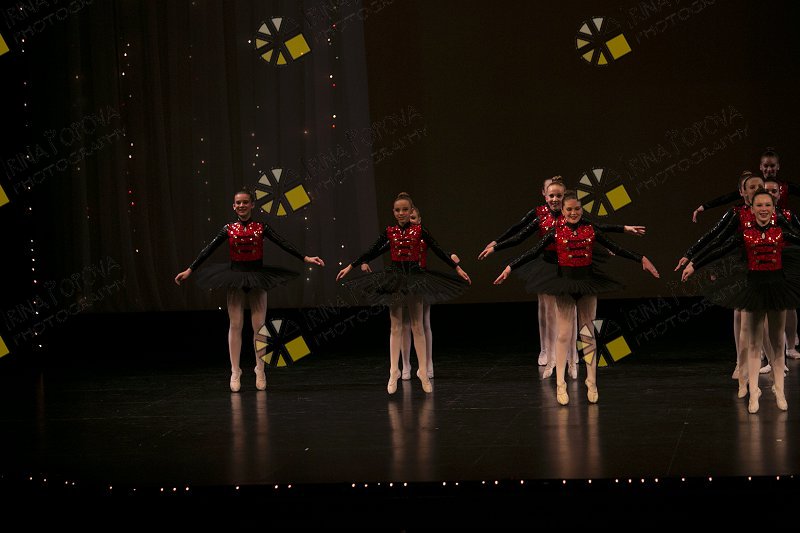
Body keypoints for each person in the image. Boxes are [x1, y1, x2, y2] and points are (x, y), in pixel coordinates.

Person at [494, 190, 659, 406]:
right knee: (564, 334)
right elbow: (533, 251)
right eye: (569, 209)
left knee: (588, 333)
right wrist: (509, 267)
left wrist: (641, 258)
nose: (573, 213)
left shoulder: (590, 229)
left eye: (577, 209)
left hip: (587, 284)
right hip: (565, 285)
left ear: (582, 210)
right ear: (563, 211)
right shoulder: (554, 231)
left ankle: (592, 381)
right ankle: (560, 383)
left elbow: (615, 247)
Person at [175, 188, 325, 392]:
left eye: (245, 202)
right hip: (235, 278)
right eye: (238, 203)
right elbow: (208, 249)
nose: (242, 206)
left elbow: (283, 243)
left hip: (257, 278)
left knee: (259, 326)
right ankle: (235, 371)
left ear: (252, 205)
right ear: (233, 206)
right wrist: (190, 270)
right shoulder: (228, 228)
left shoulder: (261, 227)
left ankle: (260, 369)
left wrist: (305, 258)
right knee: (236, 324)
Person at [337, 192, 471, 394]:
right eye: (398, 210)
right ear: (393, 212)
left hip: (415, 278)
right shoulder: (389, 231)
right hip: (395, 278)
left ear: (411, 211)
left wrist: (457, 268)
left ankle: (423, 371)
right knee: (396, 326)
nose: (401, 213)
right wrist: (351, 266)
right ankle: (394, 370)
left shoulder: (419, 230)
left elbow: (437, 249)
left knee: (417, 325)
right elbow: (372, 250)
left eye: (405, 210)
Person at [682, 189, 800, 412]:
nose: (763, 209)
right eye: (759, 205)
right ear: (752, 209)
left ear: (773, 208)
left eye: (767, 205)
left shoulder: (782, 231)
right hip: (754, 289)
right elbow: (718, 248)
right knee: (754, 343)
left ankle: (780, 390)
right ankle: (754, 392)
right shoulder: (744, 234)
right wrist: (694, 264)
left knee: (777, 343)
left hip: (778, 289)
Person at [676, 172, 765, 379]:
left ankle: (768, 359)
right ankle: (741, 362)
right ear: (742, 192)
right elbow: (716, 238)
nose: (756, 190)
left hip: (766, 266)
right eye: (751, 187)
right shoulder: (737, 213)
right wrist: (692, 257)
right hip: (739, 266)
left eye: (759, 186)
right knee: (742, 314)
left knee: (763, 317)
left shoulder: (772, 212)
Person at [360, 206, 458, 380]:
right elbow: (380, 248)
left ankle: (427, 364)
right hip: (401, 283)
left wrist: (451, 256)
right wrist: (365, 260)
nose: (409, 220)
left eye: (413, 218)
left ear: (419, 220)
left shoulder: (422, 236)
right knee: (404, 325)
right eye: (408, 217)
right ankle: (405, 365)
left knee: (423, 324)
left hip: (419, 283)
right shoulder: (399, 237)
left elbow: (438, 249)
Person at [691, 148, 797, 222]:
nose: (769, 169)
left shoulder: (786, 186)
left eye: (772, 166)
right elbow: (728, 197)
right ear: (760, 167)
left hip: (782, 230)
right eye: (766, 166)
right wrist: (704, 206)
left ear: (778, 166)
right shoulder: (755, 186)